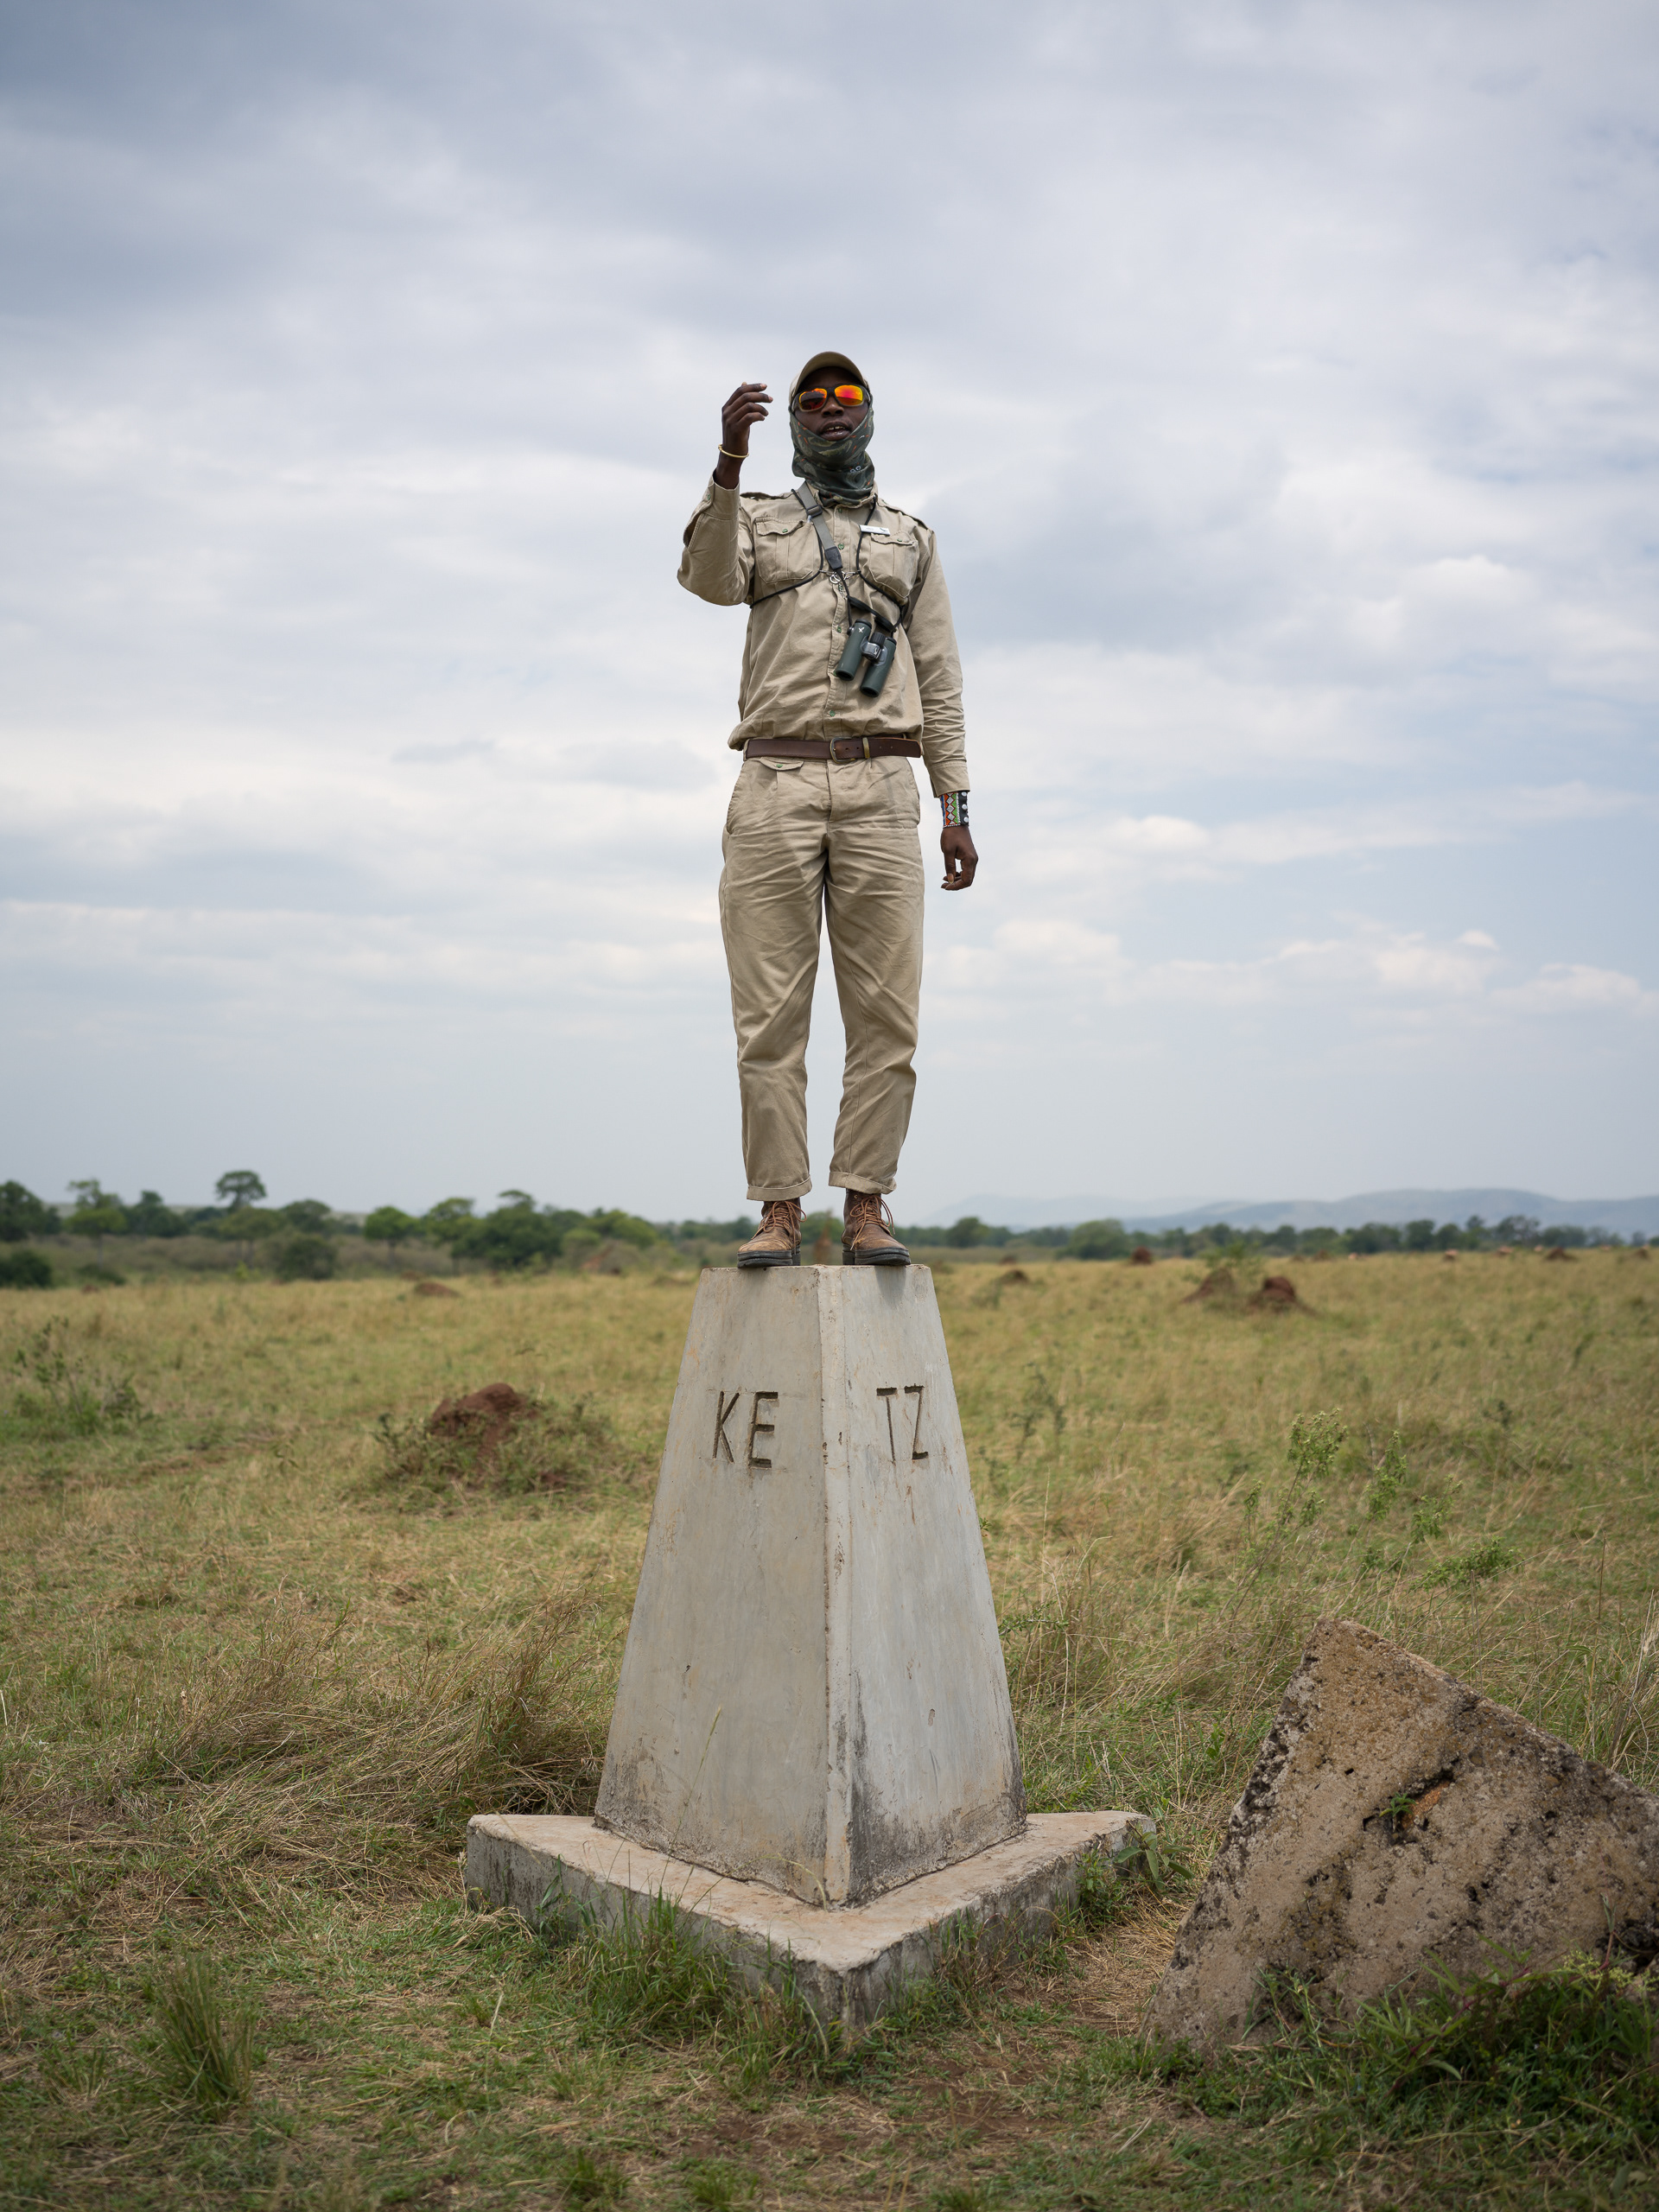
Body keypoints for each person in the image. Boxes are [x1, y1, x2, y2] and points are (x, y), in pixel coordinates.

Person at [678, 351, 978, 1268]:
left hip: (883, 788)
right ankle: (779, 1208)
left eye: (846, 398)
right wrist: (727, 461)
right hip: (776, 782)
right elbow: (707, 579)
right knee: (769, 1014)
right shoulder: (760, 520)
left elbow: (940, 676)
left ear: (870, 415)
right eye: (811, 402)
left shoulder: (911, 538)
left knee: (888, 1014)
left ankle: (867, 1205)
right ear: (795, 427)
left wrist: (954, 802)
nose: (828, 411)